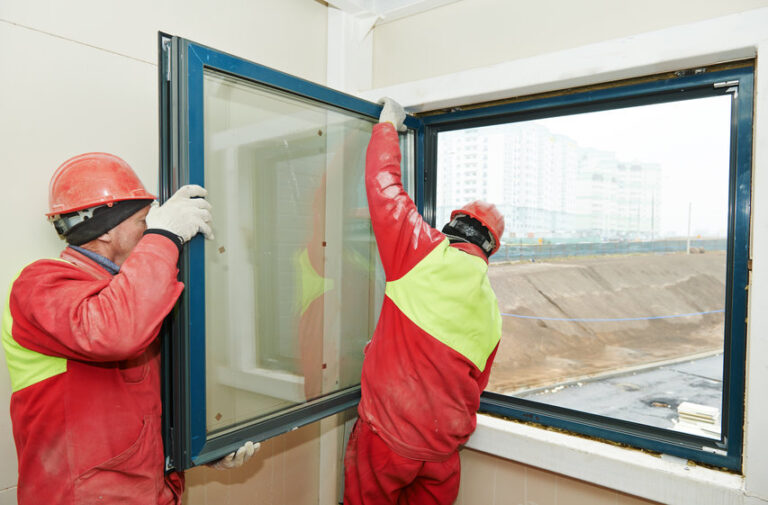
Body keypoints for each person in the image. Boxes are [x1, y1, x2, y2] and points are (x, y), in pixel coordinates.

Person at [2, 152, 257, 504]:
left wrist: (199, 446)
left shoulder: (134, 293)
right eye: (142, 221)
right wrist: (164, 235)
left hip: (148, 490)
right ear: (106, 229)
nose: (148, 229)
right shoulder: (39, 284)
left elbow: (143, 409)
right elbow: (113, 334)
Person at [343, 99, 505, 505]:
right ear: (488, 250)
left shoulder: (422, 251)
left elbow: (384, 189)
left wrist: (386, 128)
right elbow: (472, 382)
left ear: (452, 226)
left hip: (389, 440)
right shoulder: (491, 310)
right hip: (442, 454)